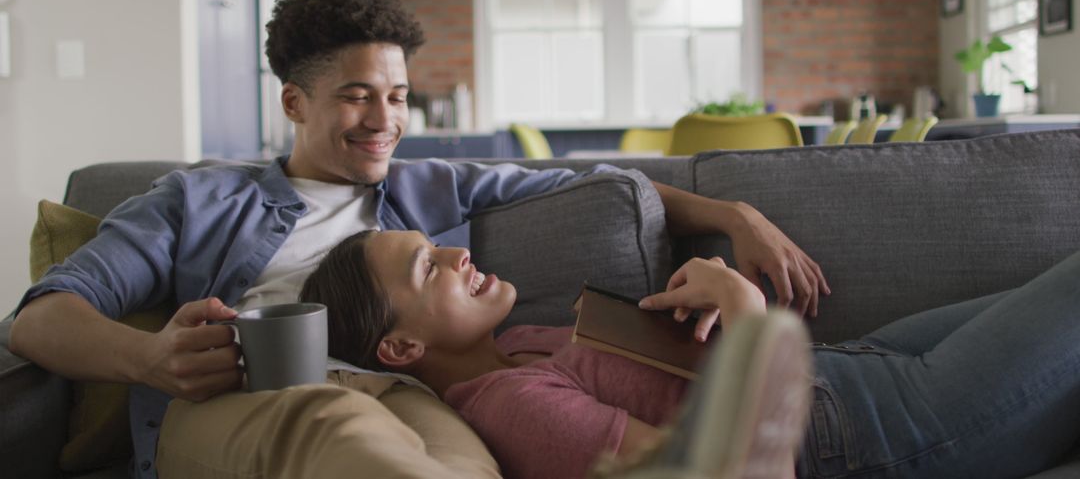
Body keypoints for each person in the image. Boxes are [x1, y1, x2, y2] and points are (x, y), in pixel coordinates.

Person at [8, 0, 829, 478]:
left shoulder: (432, 188)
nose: (385, 121)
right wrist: (150, 359)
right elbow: (43, 314)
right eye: (359, 95)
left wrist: (735, 214)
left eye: (399, 97)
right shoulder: (198, 201)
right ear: (295, 102)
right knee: (336, 423)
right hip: (247, 405)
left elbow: (602, 182)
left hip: (406, 397)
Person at [300, 229, 1080, 479]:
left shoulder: (518, 348)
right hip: (867, 429)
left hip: (851, 370)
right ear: (401, 346)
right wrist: (742, 310)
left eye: (437, 244)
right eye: (425, 268)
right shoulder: (511, 408)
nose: (456, 253)